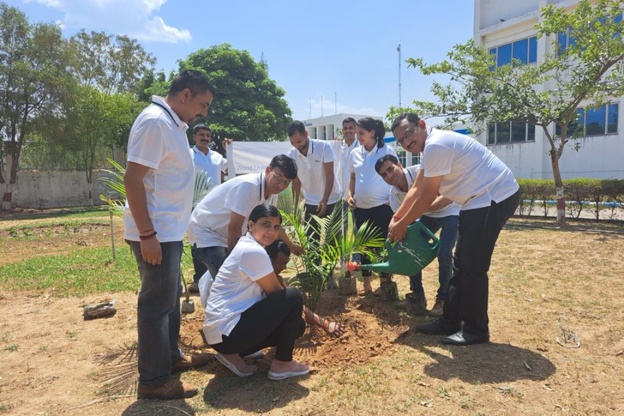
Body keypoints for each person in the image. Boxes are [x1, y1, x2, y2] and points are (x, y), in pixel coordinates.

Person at [388, 113, 520, 346]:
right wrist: (397, 218)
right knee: (461, 264)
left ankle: (476, 330)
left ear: (421, 125)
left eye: (409, 134)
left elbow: (427, 195)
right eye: (400, 140)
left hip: (492, 197)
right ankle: (450, 321)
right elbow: (417, 188)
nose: (406, 142)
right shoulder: (429, 150)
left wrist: (403, 223)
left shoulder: (436, 145)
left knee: (473, 268)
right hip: (474, 202)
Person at [123, 69, 215, 400]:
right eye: (203, 104)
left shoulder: (173, 124)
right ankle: (153, 380)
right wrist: (147, 234)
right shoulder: (154, 123)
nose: (204, 112)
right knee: (155, 305)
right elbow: (133, 179)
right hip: (155, 232)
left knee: (169, 301)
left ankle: (171, 358)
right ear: (185, 94)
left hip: (168, 231)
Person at [203, 204, 310, 380]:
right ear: (251, 225)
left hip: (220, 335)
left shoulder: (247, 245)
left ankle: (233, 355)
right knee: (293, 296)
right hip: (228, 332)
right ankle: (282, 364)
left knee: (297, 326)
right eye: (265, 224)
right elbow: (278, 295)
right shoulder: (253, 251)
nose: (271, 232)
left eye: (276, 227)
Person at [187, 154, 301, 290]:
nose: (281, 185)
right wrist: (234, 262)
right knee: (230, 282)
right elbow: (234, 227)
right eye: (278, 178)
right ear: (268, 170)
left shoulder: (272, 193)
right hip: (205, 232)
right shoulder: (249, 186)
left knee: (241, 280)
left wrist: (290, 245)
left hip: (224, 235)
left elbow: (274, 224)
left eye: (286, 182)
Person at [374, 154, 459, 316]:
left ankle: (443, 300)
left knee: (445, 253)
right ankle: (417, 294)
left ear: (399, 164)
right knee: (408, 246)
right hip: (428, 216)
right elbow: (403, 221)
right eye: (383, 175)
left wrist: (421, 209)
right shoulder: (394, 195)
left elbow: (448, 197)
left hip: (450, 212)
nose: (389, 175)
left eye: (390, 169)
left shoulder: (420, 173)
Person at [347, 117, 397, 298]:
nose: (357, 136)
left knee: (384, 246)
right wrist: (350, 195)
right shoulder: (354, 153)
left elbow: (396, 174)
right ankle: (366, 284)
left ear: (372, 133)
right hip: (360, 209)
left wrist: (393, 198)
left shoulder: (387, 150)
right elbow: (352, 178)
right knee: (364, 247)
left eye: (361, 133)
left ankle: (385, 283)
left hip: (382, 207)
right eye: (356, 133)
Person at [266, 240, 345, 337]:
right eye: (281, 263)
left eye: (286, 263)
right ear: (268, 259)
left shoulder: (278, 279)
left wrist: (325, 324)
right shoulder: (261, 280)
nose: (285, 268)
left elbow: (292, 305)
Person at [188, 124, 228, 293]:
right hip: (194, 205)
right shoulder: (188, 155)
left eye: (208, 135)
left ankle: (215, 277)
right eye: (201, 135)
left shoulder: (218, 157)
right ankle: (199, 279)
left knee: (217, 240)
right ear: (194, 137)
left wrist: (229, 150)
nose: (205, 138)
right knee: (197, 242)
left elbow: (231, 168)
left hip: (216, 208)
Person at [287, 120, 341, 229]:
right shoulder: (291, 155)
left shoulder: (324, 146)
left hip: (332, 200)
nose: (297, 146)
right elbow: (296, 183)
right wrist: (295, 207)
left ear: (306, 134)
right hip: (310, 202)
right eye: (293, 143)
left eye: (299, 141)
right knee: (312, 241)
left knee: (333, 242)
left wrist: (325, 200)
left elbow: (330, 176)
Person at [333, 117, 359, 199]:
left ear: (355, 129)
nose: (348, 131)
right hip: (338, 194)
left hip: (356, 193)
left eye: (350, 128)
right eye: (345, 128)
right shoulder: (337, 146)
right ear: (342, 130)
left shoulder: (361, 147)